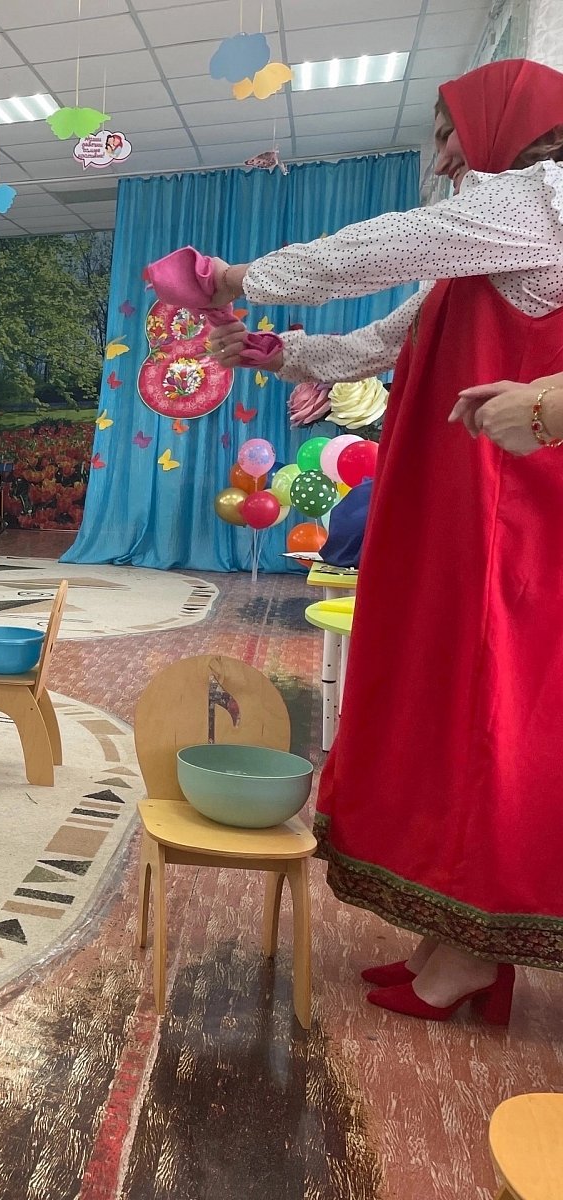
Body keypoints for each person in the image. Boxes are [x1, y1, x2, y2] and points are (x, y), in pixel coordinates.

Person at [204, 58, 563, 1020]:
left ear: (510, 127)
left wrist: (238, 279)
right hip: (464, 509)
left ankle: (477, 949)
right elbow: (378, 344)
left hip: (511, 514)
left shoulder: (540, 199)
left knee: (491, 705)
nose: (442, 158)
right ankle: (457, 938)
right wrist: (278, 353)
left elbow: (371, 250)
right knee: (451, 700)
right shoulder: (497, 231)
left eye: (452, 134)